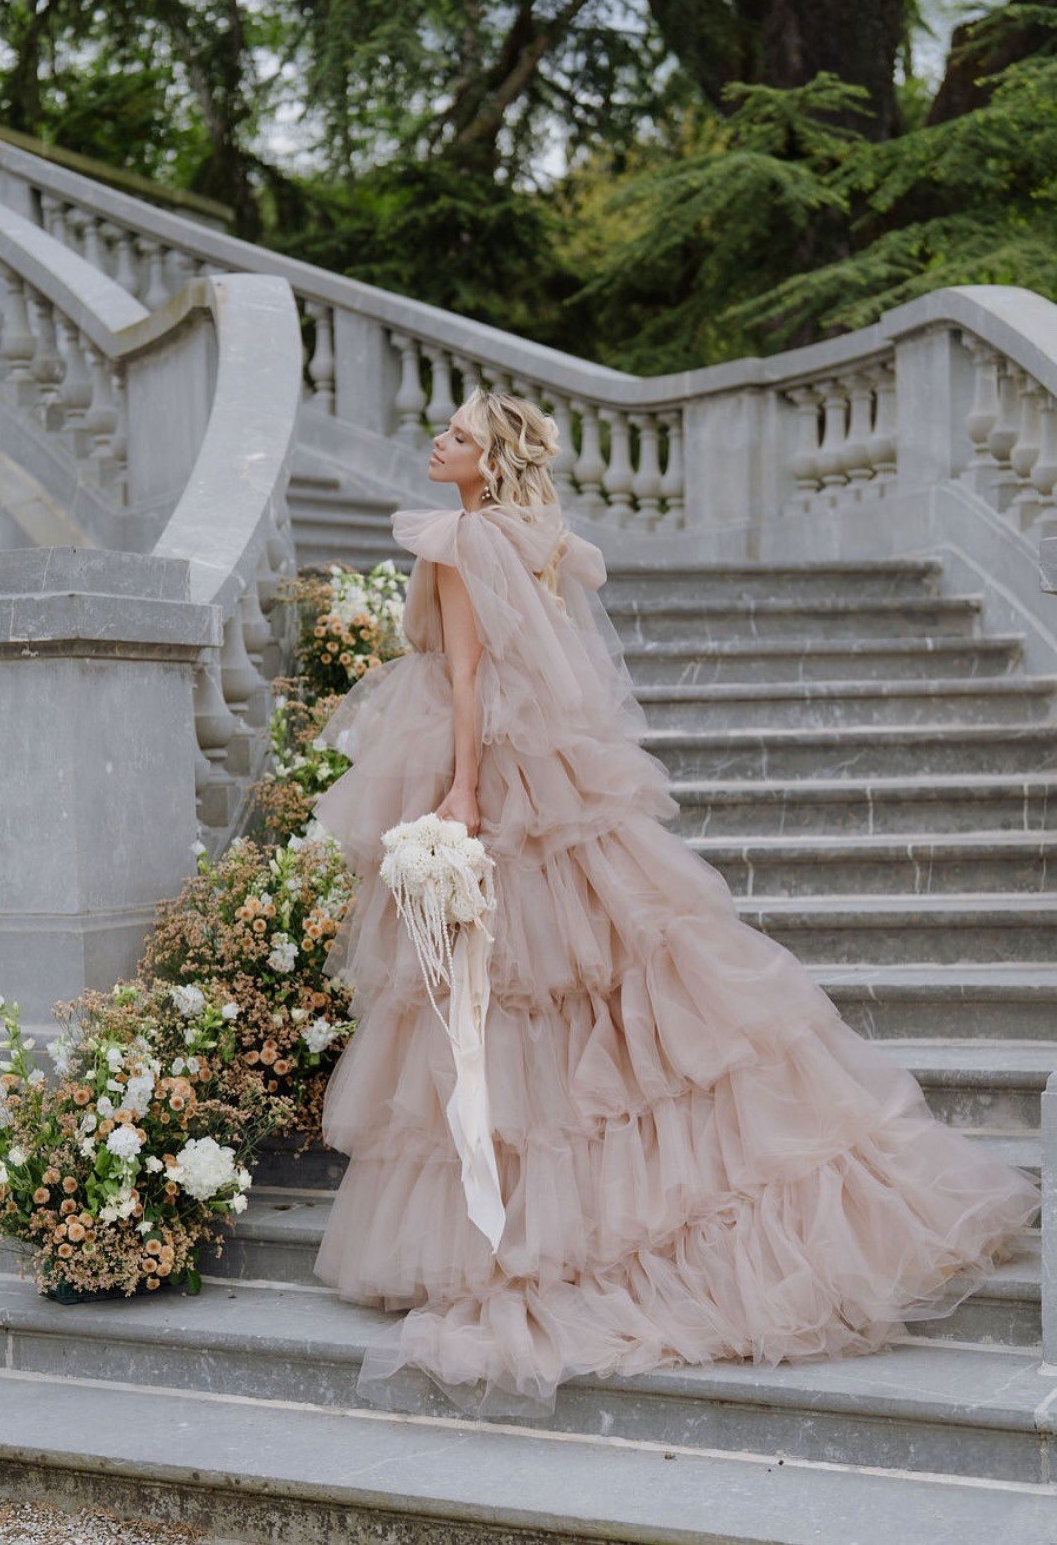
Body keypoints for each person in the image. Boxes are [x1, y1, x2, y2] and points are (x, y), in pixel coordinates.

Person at [306, 385, 1042, 1419]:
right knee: (586, 988)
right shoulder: (543, 534)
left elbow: (467, 679)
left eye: (458, 435)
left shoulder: (458, 539)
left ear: (491, 458)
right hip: (559, 779)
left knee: (517, 999)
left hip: (497, 780)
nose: (439, 441)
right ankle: (591, 1208)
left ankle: (543, 1228)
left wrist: (462, 794)